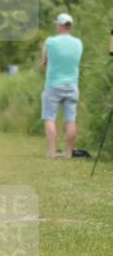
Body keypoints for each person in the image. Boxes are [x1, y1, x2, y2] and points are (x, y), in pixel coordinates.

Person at [41, 13, 83, 158]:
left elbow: (43, 61)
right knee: (70, 119)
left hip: (53, 84)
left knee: (49, 117)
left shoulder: (50, 42)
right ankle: (68, 152)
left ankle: (52, 151)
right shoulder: (78, 43)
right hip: (72, 85)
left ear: (59, 25)